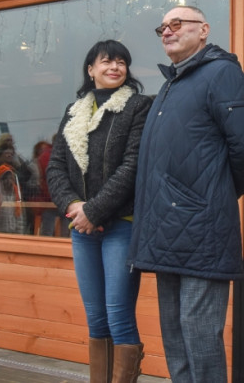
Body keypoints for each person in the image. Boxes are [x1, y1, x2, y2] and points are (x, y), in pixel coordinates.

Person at [129, 5, 244, 383]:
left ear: (203, 30)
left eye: (177, 24)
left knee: (201, 337)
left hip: (202, 228)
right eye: (162, 27)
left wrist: (217, 194)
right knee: (174, 335)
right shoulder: (173, 83)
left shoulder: (221, 73)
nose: (167, 31)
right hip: (165, 229)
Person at [47, 40, 153, 383]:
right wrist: (73, 206)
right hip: (82, 228)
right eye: (107, 61)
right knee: (96, 317)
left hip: (121, 224)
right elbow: (56, 167)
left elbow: (133, 166)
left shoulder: (139, 106)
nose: (115, 67)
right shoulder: (73, 110)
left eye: (122, 62)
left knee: (119, 314)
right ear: (90, 69)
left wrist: (94, 210)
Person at [0, 133, 26, 234]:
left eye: (11, 154)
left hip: (12, 230)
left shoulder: (15, 190)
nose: (9, 155)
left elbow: (27, 175)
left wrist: (19, 159)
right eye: (7, 153)